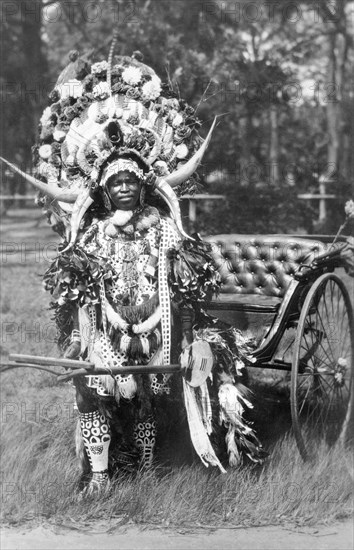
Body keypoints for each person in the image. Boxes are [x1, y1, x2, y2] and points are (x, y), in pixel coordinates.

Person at [1, 48, 266, 497]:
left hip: (155, 331)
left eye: (130, 180)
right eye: (115, 182)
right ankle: (100, 475)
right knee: (93, 388)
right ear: (104, 189)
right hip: (106, 333)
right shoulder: (94, 233)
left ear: (144, 183)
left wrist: (184, 335)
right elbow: (80, 294)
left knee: (145, 398)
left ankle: (145, 467)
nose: (123, 186)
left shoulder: (164, 228)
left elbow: (182, 286)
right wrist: (90, 339)